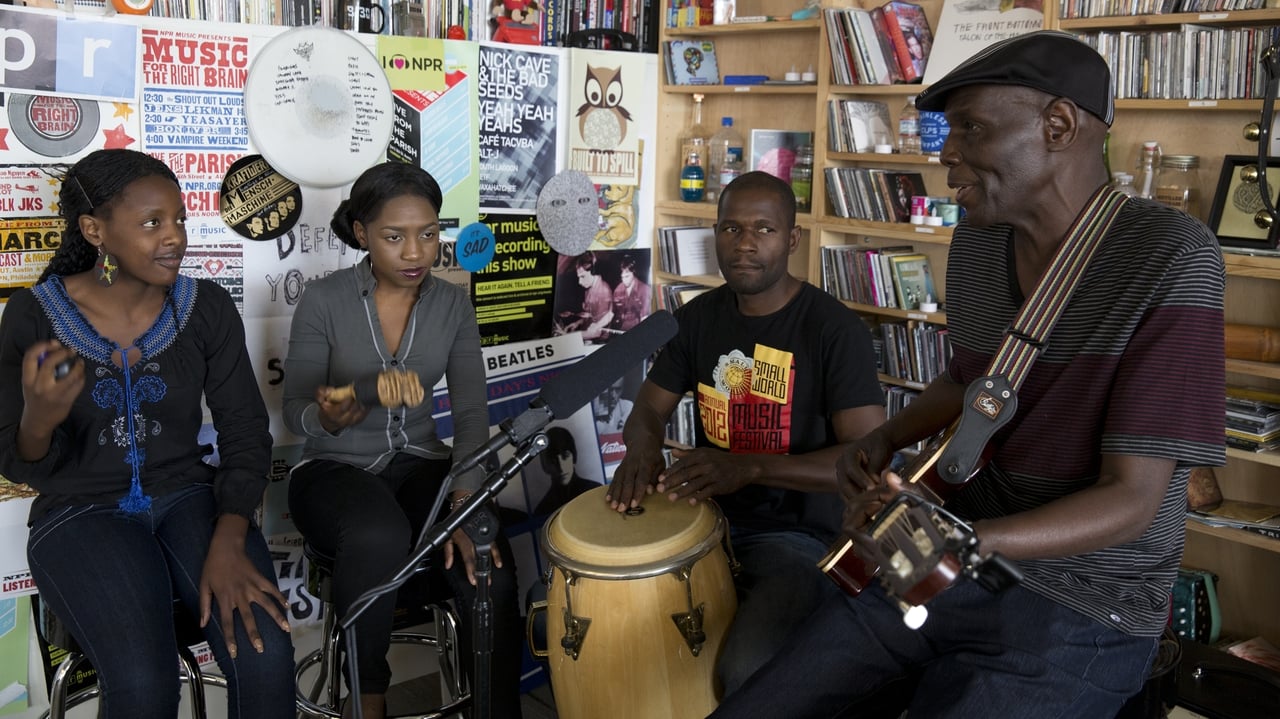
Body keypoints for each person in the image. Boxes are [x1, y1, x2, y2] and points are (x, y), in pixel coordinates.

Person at [708, 31, 1226, 718]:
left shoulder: (1170, 255)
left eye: (970, 128)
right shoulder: (979, 242)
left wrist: (975, 540)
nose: (945, 151)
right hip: (953, 562)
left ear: (1059, 125)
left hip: (1086, 605)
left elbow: (1131, 500)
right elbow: (972, 379)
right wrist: (886, 438)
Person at [0, 148, 295, 718]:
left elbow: (244, 432)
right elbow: (21, 462)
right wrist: (39, 417)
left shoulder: (203, 306)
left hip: (190, 498)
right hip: (80, 512)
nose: (175, 237)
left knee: (265, 653)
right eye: (153, 223)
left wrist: (230, 539)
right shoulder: (33, 316)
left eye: (180, 219)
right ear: (95, 230)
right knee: (144, 680)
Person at [606, 170, 887, 697]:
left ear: (792, 239)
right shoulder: (696, 319)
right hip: (702, 520)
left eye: (764, 229)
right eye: (731, 229)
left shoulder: (833, 330)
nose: (745, 244)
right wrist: (641, 448)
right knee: (608, 623)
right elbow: (648, 407)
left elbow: (866, 460)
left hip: (800, 539)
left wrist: (752, 466)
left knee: (746, 669)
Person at [282, 161, 523, 719]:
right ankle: (367, 700)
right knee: (376, 531)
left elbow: (469, 413)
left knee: (487, 556)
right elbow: (296, 412)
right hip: (333, 470)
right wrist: (340, 411)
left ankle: (496, 711)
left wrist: (465, 503)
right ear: (362, 234)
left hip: (421, 465)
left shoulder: (452, 303)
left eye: (429, 234)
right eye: (395, 237)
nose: (415, 252)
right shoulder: (324, 300)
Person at [532, 426, 597, 517]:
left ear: (574, 457)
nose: (561, 468)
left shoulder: (595, 492)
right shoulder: (542, 510)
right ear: (545, 465)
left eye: (565, 456)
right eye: (553, 460)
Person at [610, 254, 651, 332]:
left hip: (637, 331)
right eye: (622, 277)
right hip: (621, 330)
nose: (624, 280)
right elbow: (612, 313)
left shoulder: (645, 290)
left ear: (634, 273)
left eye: (627, 276)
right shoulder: (617, 290)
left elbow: (644, 319)